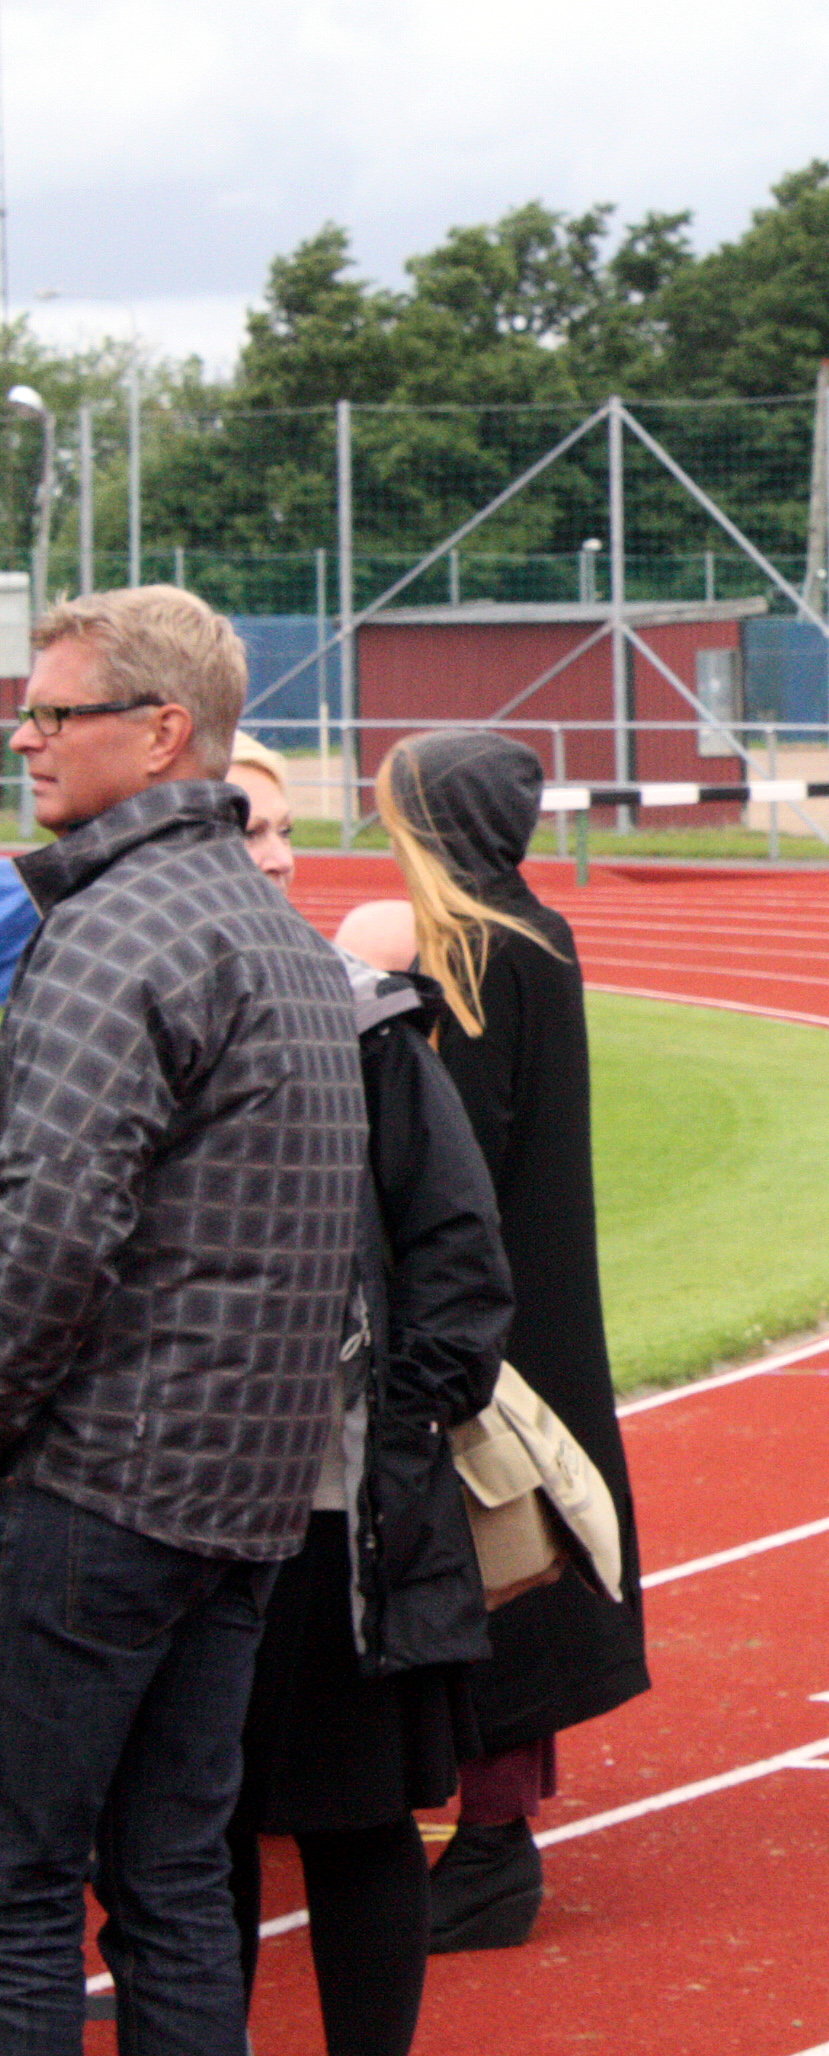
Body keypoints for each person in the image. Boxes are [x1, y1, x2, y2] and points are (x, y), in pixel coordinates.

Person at [0, 587, 365, 2055]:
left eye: (52, 713)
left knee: (20, 1885)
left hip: (95, 1489)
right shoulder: (280, 934)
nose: (26, 738)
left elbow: (44, 1239)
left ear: (160, 733)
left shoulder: (115, 933)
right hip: (246, 1500)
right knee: (172, 1877)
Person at [222, 742, 513, 2055]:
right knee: (182, 1838)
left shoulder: (369, 1025)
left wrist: (388, 1435)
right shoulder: (100, 1001)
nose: (280, 858)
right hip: (158, 1515)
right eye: (249, 828)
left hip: (337, 1521)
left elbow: (460, 1259)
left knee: (354, 1823)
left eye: (284, 828)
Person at [352, 730, 648, 1950]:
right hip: (536, 1300)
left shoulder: (475, 954)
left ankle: (489, 1848)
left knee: (488, 1566)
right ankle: (486, 1830)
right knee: (507, 1569)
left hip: (486, 1314)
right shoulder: (536, 932)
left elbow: (450, 1153)